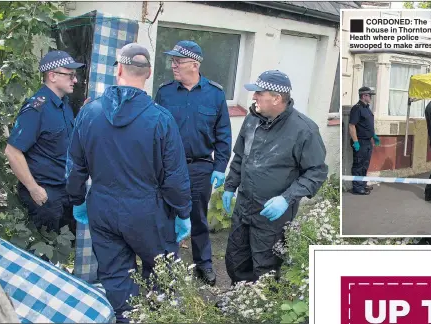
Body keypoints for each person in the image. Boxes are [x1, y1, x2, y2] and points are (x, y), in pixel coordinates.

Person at [65, 43, 192, 323]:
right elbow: (175, 177)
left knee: (114, 274)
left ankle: (126, 318)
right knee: (161, 273)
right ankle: (158, 317)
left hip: (103, 208)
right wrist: (183, 213)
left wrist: (76, 199)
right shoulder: (161, 119)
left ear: (118, 69)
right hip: (148, 211)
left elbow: (75, 166)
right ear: (147, 74)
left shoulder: (89, 113)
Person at [222, 70, 328, 284]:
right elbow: (241, 156)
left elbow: (317, 171)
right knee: (236, 258)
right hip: (244, 206)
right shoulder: (252, 120)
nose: (253, 97)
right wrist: (230, 186)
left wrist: (287, 198)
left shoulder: (303, 130)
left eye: (259, 93)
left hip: (272, 214)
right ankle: (239, 300)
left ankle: (261, 309)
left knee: (265, 265)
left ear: (277, 98)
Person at [154, 40, 232, 286]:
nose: (173, 65)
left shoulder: (215, 94)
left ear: (194, 64)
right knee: (166, 215)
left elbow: (223, 135)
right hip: (167, 168)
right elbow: (154, 131)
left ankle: (204, 263)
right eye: (173, 61)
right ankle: (166, 264)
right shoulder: (164, 92)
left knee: (198, 217)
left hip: (199, 167)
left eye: (179, 61)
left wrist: (220, 167)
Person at [5, 50, 85, 240]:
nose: (75, 80)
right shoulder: (36, 108)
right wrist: (34, 188)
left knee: (62, 253)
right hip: (45, 195)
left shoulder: (64, 104)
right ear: (52, 76)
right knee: (42, 256)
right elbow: (12, 152)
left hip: (63, 191)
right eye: (70, 75)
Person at [348, 86, 380, 195]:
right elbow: (352, 126)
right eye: (369, 95)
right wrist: (355, 142)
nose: (371, 97)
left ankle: (362, 184)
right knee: (358, 165)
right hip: (360, 142)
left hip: (367, 141)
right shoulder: (357, 109)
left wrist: (374, 135)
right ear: (364, 96)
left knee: (365, 164)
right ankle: (357, 188)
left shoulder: (367, 108)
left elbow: (368, 125)